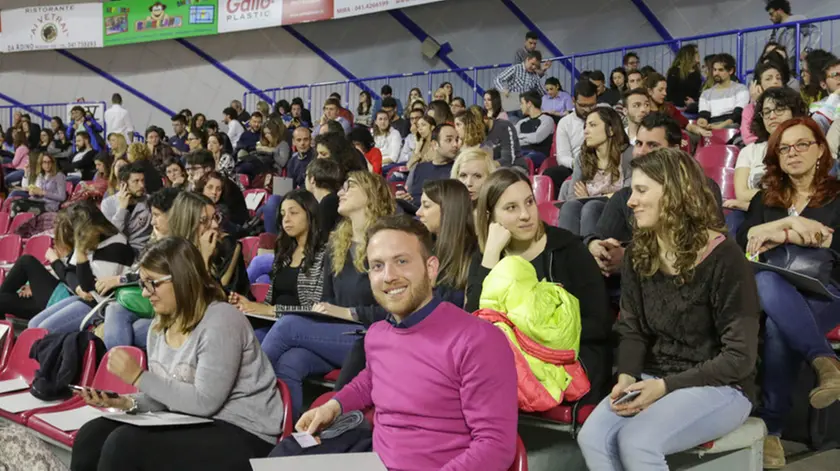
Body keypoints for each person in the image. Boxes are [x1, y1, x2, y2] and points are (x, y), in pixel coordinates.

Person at [289, 214, 518, 470]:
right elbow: (371, 380)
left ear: (431, 269)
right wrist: (333, 406)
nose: (389, 276)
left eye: (401, 261)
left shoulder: (479, 340)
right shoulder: (378, 334)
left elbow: (495, 445)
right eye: (377, 266)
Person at [577, 148, 759, 471]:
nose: (630, 201)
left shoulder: (725, 258)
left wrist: (665, 387)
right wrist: (626, 376)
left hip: (721, 385)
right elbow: (632, 328)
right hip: (654, 376)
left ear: (675, 195)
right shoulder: (638, 254)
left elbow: (739, 358)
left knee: (637, 442)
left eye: (641, 190)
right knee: (592, 437)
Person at [70, 237, 284, 471]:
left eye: (152, 283)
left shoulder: (222, 320)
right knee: (91, 434)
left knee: (124, 444)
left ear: (182, 279)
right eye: (143, 284)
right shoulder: (158, 326)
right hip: (192, 420)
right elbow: (170, 394)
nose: (145, 293)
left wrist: (139, 377)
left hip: (244, 430)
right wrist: (127, 402)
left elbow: (204, 402)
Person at [735, 117, 840, 468]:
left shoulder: (838, 194)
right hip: (773, 287)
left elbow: (834, 241)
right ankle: (825, 362)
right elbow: (745, 245)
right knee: (767, 283)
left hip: (827, 292)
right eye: (784, 148)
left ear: (820, 149)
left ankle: (773, 429)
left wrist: (780, 234)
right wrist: (792, 223)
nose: (792, 153)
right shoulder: (767, 198)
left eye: (802, 145)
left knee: (779, 324)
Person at [466, 168, 613, 403]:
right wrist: (490, 255)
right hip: (511, 363)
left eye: (529, 202)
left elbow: (599, 323)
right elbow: (473, 326)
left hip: (569, 359)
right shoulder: (486, 257)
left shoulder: (567, 248)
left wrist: (536, 337)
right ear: (490, 216)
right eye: (511, 208)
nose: (526, 215)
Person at [261, 171, 394, 416]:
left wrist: (348, 312)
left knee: (288, 326)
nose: (340, 192)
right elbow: (327, 298)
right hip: (336, 331)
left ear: (371, 195)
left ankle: (246, 389)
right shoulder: (337, 242)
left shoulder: (386, 242)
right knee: (291, 362)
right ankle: (287, 433)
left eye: (349, 186)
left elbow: (394, 309)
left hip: (370, 336)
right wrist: (327, 311)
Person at [584, 113, 723, 277]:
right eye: (638, 143)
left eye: (652, 145)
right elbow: (601, 236)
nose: (642, 152)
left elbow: (701, 247)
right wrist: (595, 246)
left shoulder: (702, 189)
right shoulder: (625, 196)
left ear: (675, 150)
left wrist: (629, 257)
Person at [28, 202, 135, 333]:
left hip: (101, 306)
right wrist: (78, 288)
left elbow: (91, 288)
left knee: (41, 331)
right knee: (32, 325)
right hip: (84, 299)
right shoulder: (89, 240)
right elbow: (70, 272)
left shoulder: (115, 246)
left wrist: (80, 252)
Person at [99, 187, 181, 349]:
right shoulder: (158, 236)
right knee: (114, 309)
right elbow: (141, 269)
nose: (152, 222)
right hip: (152, 302)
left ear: (174, 215)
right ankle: (114, 369)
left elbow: (155, 275)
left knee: (127, 332)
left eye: (157, 216)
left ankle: (117, 369)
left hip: (173, 312)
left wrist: (119, 280)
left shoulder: (183, 246)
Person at [233, 189, 326, 318]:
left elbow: (316, 309)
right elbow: (269, 302)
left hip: (300, 324)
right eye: (283, 214)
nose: (286, 219)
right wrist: (249, 306)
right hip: (272, 321)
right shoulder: (285, 252)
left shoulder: (323, 254)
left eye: (293, 213)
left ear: (310, 214)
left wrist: (271, 310)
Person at [725, 87, 806, 216]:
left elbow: (800, 194)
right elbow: (742, 193)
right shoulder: (749, 151)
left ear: (794, 112)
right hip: (754, 214)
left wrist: (751, 204)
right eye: (767, 112)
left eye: (779, 109)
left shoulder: (805, 147)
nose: (772, 116)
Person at [559, 107, 633, 236]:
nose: (586, 131)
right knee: (569, 207)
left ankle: (594, 253)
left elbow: (626, 195)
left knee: (591, 206)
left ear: (610, 130)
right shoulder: (582, 158)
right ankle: (567, 254)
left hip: (619, 216)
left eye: (592, 125)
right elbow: (572, 196)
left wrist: (588, 198)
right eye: (585, 127)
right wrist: (605, 195)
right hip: (588, 212)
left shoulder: (628, 155)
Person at [168, 191, 249, 297]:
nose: (215, 225)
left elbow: (218, 299)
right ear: (187, 223)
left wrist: (204, 259)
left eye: (215, 217)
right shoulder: (172, 252)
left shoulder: (228, 248)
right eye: (204, 220)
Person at [417, 179, 478, 307]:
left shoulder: (473, 254)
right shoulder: (425, 246)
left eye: (426, 206)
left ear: (448, 209)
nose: (418, 213)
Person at [549, 80, 598, 192]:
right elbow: (562, 157)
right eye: (582, 105)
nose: (587, 110)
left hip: (602, 165)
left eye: (591, 105)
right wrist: (578, 165)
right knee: (552, 173)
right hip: (575, 165)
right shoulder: (565, 123)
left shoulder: (604, 117)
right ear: (573, 101)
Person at [400, 123, 461, 207]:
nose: (455, 145)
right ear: (434, 144)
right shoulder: (420, 168)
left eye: (457, 140)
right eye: (449, 140)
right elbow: (410, 196)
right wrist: (403, 198)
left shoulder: (458, 170)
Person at [740, 60, 788, 145]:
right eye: (768, 79)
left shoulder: (790, 104)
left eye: (778, 78)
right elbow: (749, 139)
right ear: (758, 85)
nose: (775, 81)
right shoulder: (749, 109)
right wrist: (759, 103)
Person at [697, 54, 750, 131]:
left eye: (720, 70)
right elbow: (704, 115)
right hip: (711, 126)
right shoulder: (706, 94)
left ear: (731, 71)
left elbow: (737, 114)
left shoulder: (741, 89)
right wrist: (702, 122)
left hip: (732, 126)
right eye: (714, 70)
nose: (716, 73)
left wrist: (720, 126)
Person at [766, 0, 821, 73]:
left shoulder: (796, 19)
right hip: (782, 66)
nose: (770, 18)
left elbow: (815, 31)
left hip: (794, 65)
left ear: (779, 11)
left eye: (772, 14)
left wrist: (807, 50)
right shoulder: (775, 29)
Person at [10, 152, 66, 217]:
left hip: (48, 205)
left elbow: (62, 197)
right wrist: (33, 192)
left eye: (49, 162)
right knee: (13, 202)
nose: (47, 164)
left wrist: (43, 193)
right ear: (41, 164)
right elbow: (36, 190)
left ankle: (13, 225)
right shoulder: (41, 175)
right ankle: (13, 225)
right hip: (37, 201)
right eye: (44, 162)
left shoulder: (59, 176)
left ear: (53, 163)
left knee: (18, 205)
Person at [304, 157, 343, 235]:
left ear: (312, 179)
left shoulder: (328, 203)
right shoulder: (333, 200)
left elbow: (323, 238)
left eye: (306, 175)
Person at [515, 91, 555, 166]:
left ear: (529, 104)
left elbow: (536, 138)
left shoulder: (547, 120)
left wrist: (519, 136)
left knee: (524, 159)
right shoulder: (521, 122)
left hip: (538, 154)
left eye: (522, 103)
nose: (520, 107)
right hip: (520, 152)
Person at [666, 44, 702, 109]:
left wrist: (694, 102)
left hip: (693, 107)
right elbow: (670, 93)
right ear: (689, 55)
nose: (698, 55)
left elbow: (697, 93)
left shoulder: (696, 73)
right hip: (677, 107)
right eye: (696, 53)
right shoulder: (675, 72)